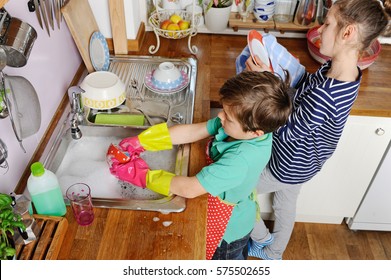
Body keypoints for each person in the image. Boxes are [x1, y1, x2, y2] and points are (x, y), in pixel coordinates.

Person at [238, 0, 390, 260]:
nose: (319, 30)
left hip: (288, 163)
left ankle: (262, 239)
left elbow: (286, 130)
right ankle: (275, 253)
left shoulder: (327, 95)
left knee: (237, 190)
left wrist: (268, 81)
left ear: (348, 33)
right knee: (285, 206)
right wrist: (276, 73)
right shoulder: (341, 72)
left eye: (327, 23)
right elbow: (304, 88)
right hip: (307, 161)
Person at [107, 71, 292, 260]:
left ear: (255, 132)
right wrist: (143, 141)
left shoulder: (240, 160)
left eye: (228, 117)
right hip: (238, 214)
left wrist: (141, 175)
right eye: (223, 110)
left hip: (226, 234)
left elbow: (189, 188)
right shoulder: (247, 126)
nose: (220, 116)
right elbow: (194, 131)